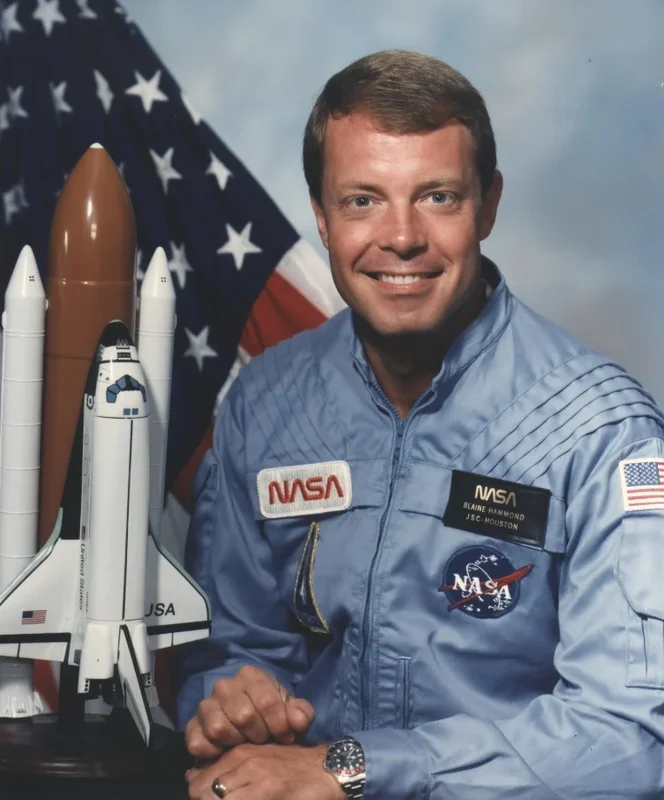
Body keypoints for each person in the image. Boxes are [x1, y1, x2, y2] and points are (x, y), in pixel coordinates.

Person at [177, 50, 664, 799]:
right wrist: (231, 697)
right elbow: (232, 644)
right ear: (321, 215)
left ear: (488, 205)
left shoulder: (602, 432)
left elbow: (630, 736)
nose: (400, 237)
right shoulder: (268, 405)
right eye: (362, 201)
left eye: (438, 197)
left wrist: (352, 770)